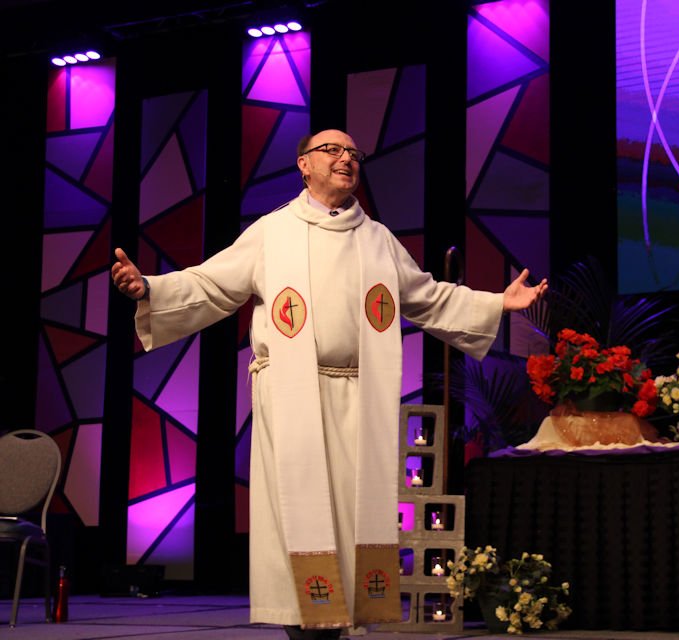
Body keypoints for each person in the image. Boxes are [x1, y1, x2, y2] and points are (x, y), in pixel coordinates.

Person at [111, 129, 547, 639]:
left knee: (351, 517)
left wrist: (496, 302)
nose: (346, 159)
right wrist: (150, 289)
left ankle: (342, 624)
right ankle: (303, 626)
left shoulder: (378, 240)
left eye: (353, 153)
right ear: (303, 164)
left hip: (358, 399)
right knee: (298, 514)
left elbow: (427, 296)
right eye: (332, 150)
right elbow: (212, 283)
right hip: (292, 395)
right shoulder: (273, 232)